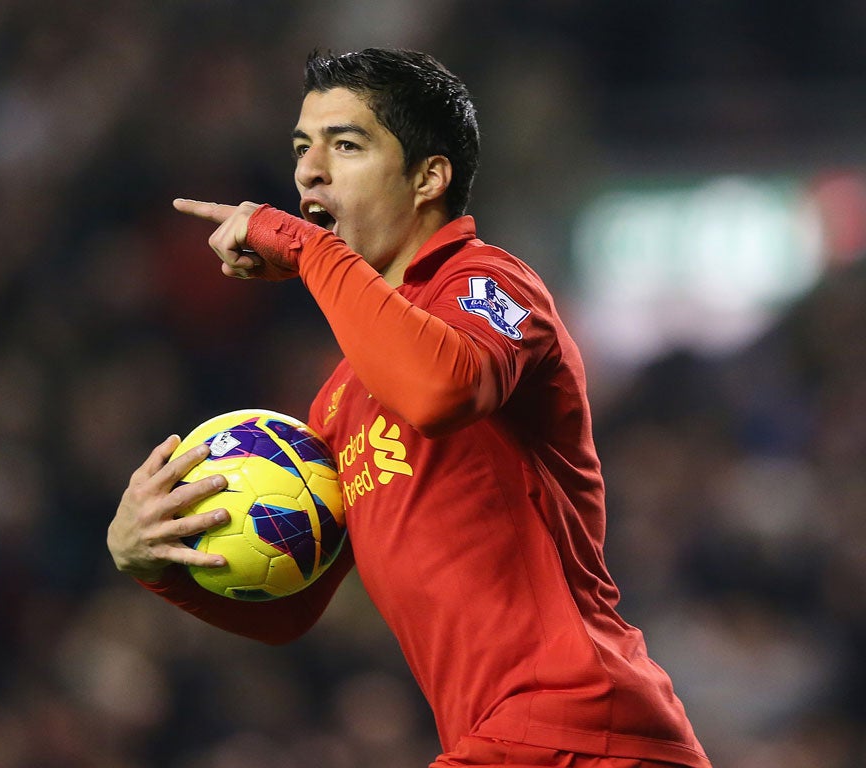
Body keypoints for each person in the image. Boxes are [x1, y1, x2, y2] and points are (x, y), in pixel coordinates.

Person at [107, 48, 713, 768]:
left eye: (347, 144)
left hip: (578, 722)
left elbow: (441, 389)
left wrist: (306, 248)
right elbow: (294, 603)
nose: (308, 170)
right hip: (507, 738)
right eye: (303, 147)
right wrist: (155, 562)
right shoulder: (339, 399)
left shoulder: (492, 283)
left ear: (430, 176)